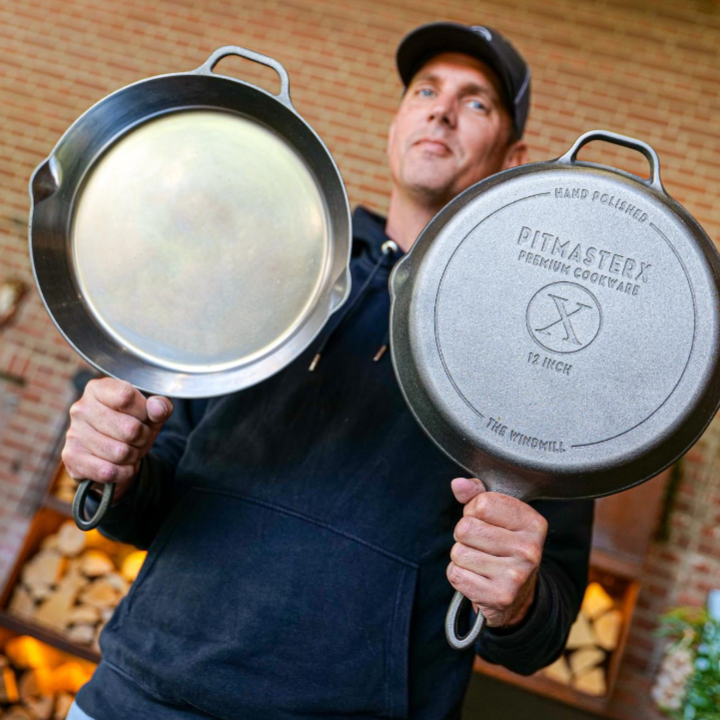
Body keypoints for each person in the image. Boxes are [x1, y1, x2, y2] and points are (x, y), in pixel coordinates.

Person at [62, 22, 594, 720]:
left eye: (476, 102)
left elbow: (543, 628)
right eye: (425, 91)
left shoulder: (538, 357)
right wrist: (118, 468)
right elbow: (156, 488)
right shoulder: (273, 266)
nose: (441, 110)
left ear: (513, 157)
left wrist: (516, 600)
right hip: (139, 698)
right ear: (396, 124)